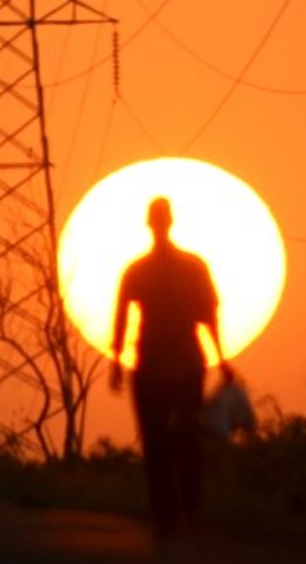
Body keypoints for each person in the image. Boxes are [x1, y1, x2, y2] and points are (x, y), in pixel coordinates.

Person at [109, 197, 231, 536]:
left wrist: (117, 364)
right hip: (165, 366)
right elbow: (209, 316)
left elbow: (208, 315)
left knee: (170, 441)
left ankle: (176, 513)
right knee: (172, 441)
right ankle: (176, 514)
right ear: (166, 222)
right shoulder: (180, 267)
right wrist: (221, 359)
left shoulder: (153, 269)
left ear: (152, 223)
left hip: (169, 366)